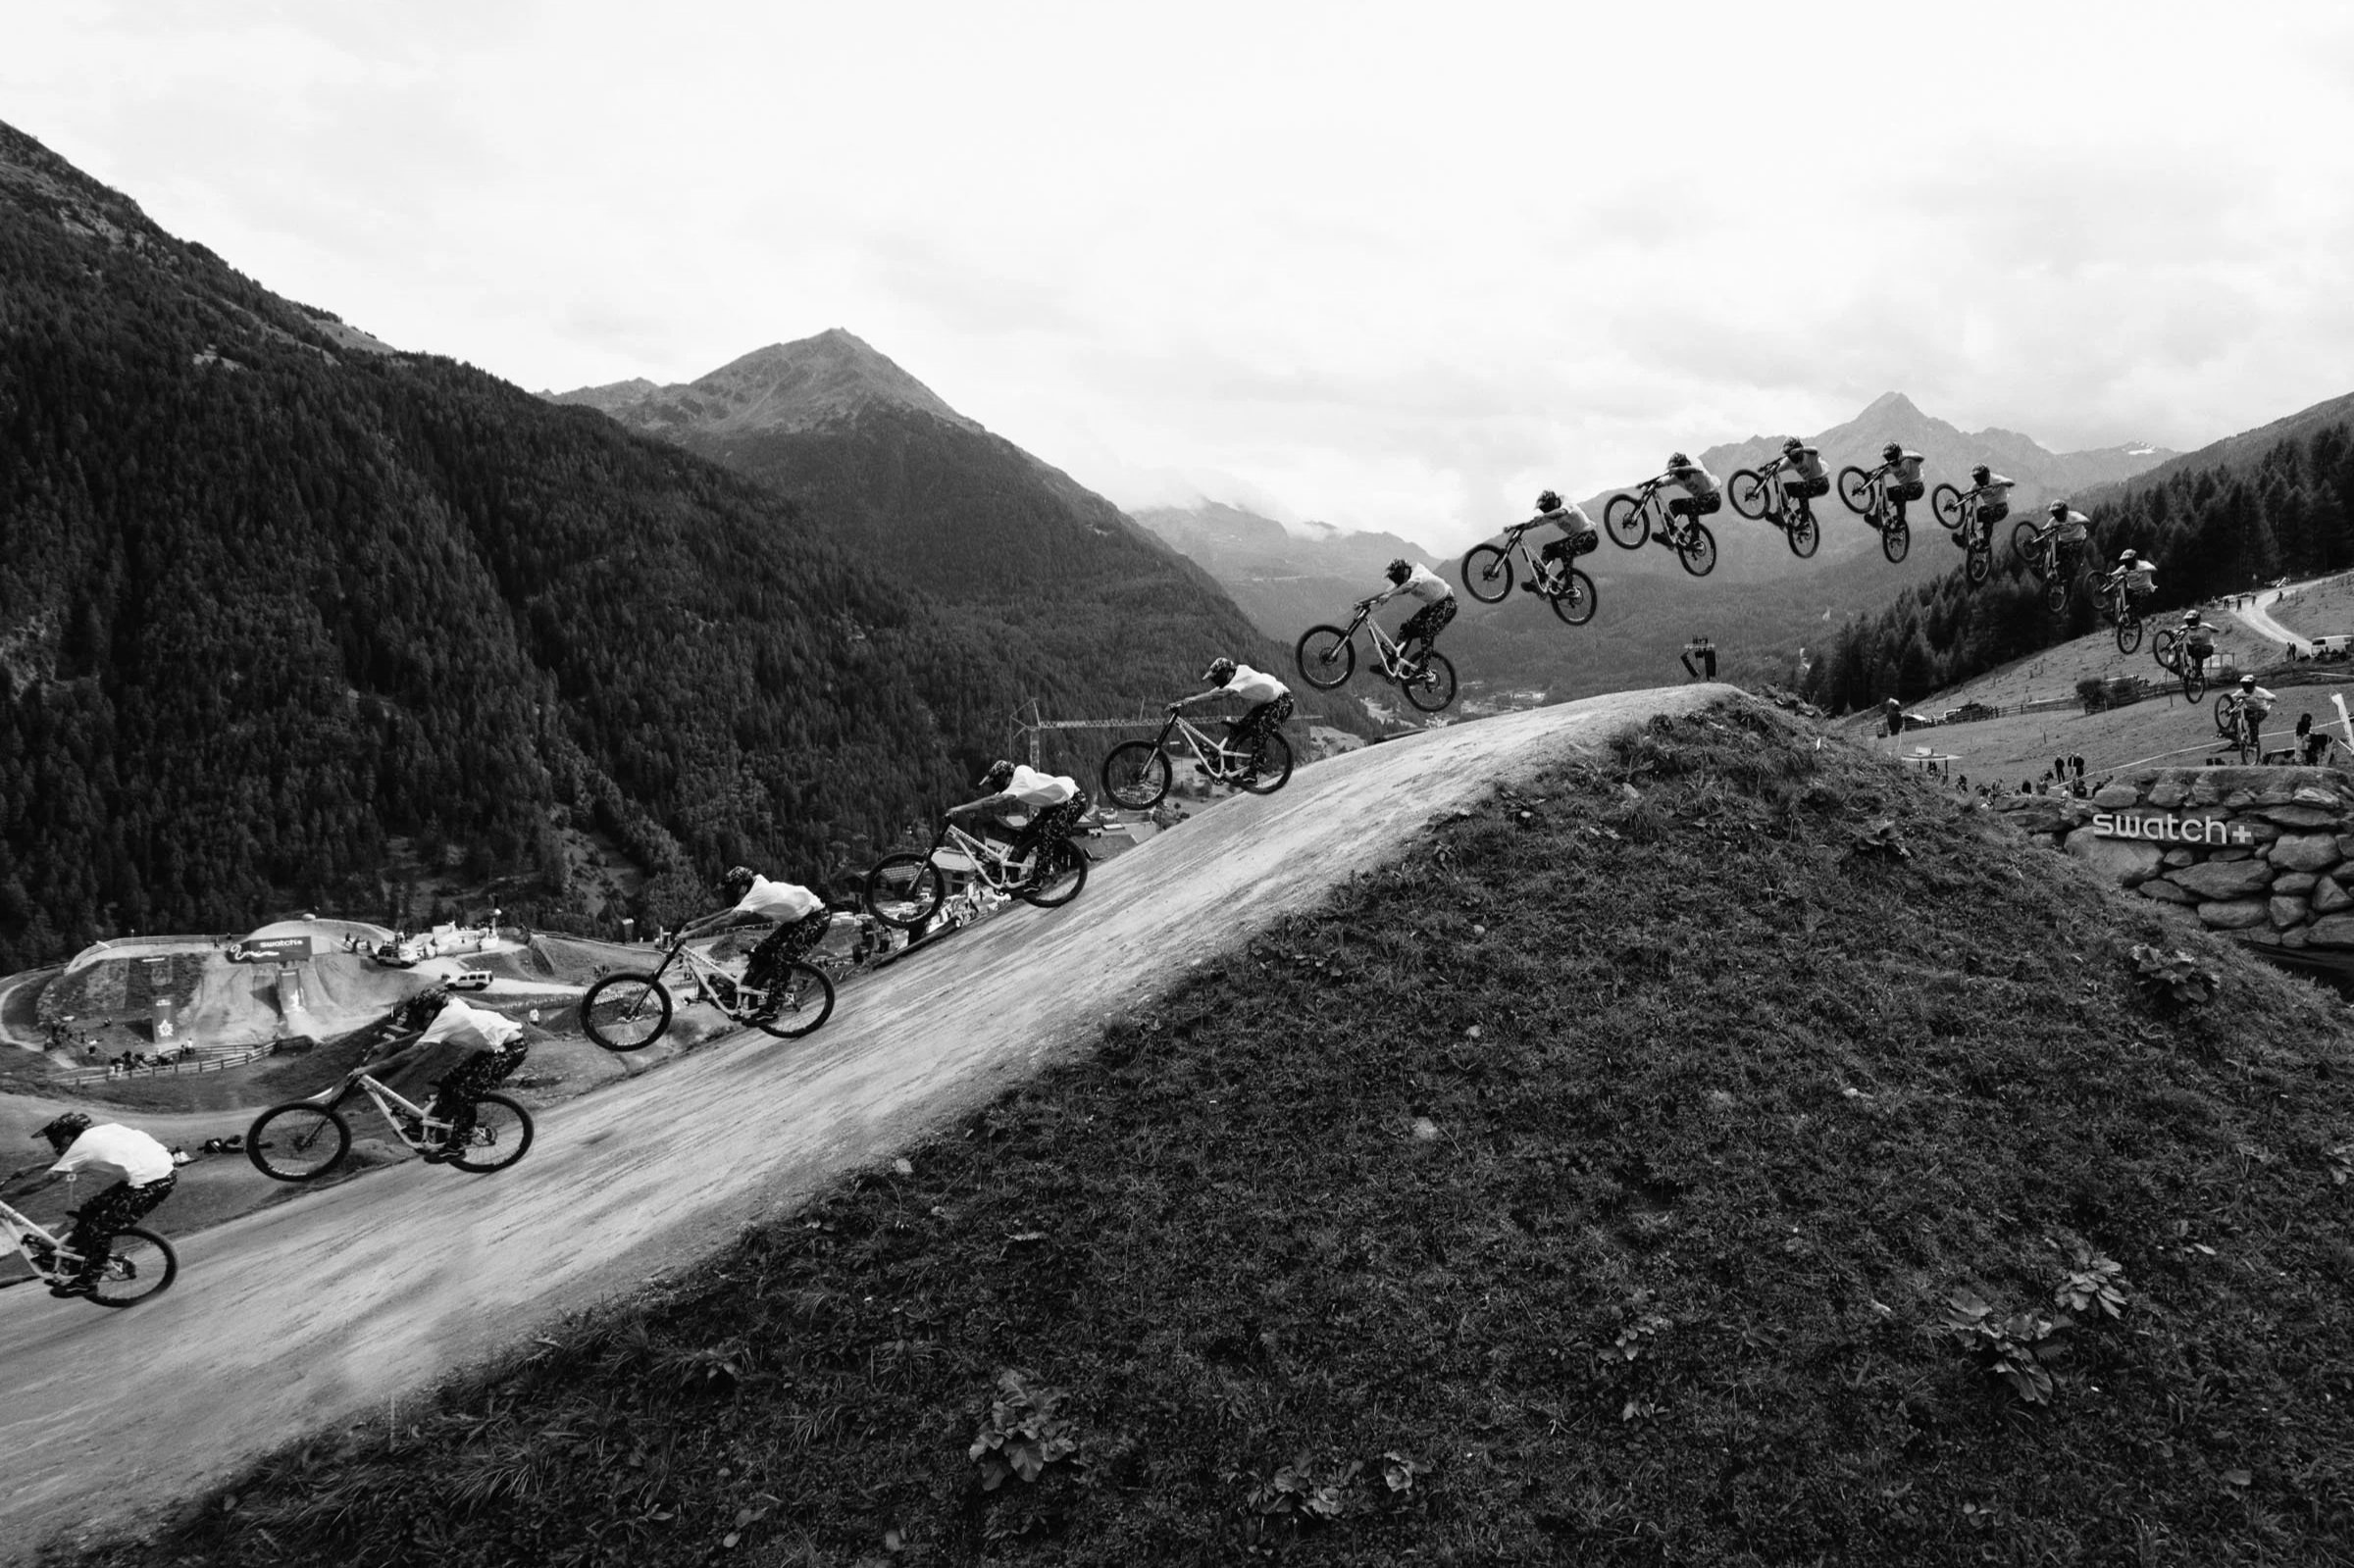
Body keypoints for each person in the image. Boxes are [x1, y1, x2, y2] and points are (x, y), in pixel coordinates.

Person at [6, 1112, 177, 1296]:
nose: (56, 1145)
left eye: (57, 1139)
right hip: (158, 1174)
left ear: (68, 1135)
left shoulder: (83, 1146)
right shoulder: (103, 1132)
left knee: (101, 1229)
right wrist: (33, 1167)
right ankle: (73, 1258)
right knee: (89, 1209)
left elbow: (44, 1182)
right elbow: (78, 1157)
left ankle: (87, 1282)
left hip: (150, 1183)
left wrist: (10, 1195)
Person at [358, 987, 530, 1162]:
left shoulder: (447, 1018)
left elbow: (416, 1051)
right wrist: (390, 1045)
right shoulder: (450, 1006)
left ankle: (456, 1146)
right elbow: (430, 1032)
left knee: (466, 1093)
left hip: (511, 1049)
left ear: (430, 1009)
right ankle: (423, 1129)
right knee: (449, 1082)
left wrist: (372, 1069)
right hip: (496, 1047)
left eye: (423, 1014)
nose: (422, 1018)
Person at [675, 867, 833, 1022]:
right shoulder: (754, 884)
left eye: (732, 890)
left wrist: (690, 934)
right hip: (800, 919)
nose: (730, 894)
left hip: (816, 917)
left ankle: (771, 1009)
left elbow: (730, 919)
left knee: (784, 958)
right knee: (762, 952)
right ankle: (735, 997)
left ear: (742, 887)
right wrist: (695, 923)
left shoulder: (759, 893)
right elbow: (731, 911)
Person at [951, 760, 1091, 883]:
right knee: (1025, 835)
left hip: (1073, 800)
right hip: (1054, 804)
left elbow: (992, 801)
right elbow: (990, 800)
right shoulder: (1014, 778)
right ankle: (1003, 874)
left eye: (995, 783)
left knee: (1047, 834)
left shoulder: (1021, 780)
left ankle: (1039, 878)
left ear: (1003, 779)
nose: (995, 787)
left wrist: (960, 808)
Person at [1175, 657, 1293, 780]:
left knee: (1261, 729)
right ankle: (1219, 763)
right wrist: (1186, 701)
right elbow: (1212, 693)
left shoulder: (1242, 675)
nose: (1217, 682)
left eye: (1218, 678)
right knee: (1237, 729)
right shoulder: (1233, 678)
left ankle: (1254, 771)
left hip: (1283, 700)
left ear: (1228, 673)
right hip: (1268, 703)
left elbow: (1220, 695)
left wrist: (1192, 700)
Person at [1369, 557, 1457, 674]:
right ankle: (1391, 664)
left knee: (1427, 629)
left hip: (1448, 604)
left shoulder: (1418, 572)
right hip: (1433, 607)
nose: (1397, 584)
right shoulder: (1406, 579)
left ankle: (1425, 670)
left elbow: (1407, 588)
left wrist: (1390, 596)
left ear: (1402, 574)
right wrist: (1364, 602)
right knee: (1406, 629)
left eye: (1397, 580)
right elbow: (1385, 593)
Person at [1526, 488, 1598, 589]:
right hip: (1577, 538)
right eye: (1544, 510)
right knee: (1548, 549)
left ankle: (1569, 584)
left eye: (1546, 508)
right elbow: (1534, 523)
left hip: (1589, 537)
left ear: (1552, 503)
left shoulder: (1566, 503)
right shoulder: (1551, 514)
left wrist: (1544, 515)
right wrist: (1517, 527)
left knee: (1565, 548)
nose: (1546, 511)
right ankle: (1539, 581)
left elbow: (1560, 512)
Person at [1768, 437, 1829, 525]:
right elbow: (1778, 468)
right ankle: (1782, 515)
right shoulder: (1790, 461)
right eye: (1788, 455)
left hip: (1822, 483)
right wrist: (1769, 469)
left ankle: (1805, 521)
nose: (1791, 457)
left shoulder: (1809, 455)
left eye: (1792, 453)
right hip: (1809, 484)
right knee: (1786, 488)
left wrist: (1800, 449)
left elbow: (1815, 450)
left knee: (1802, 488)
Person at [1662, 452, 1722, 536]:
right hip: (1700, 501)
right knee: (1674, 504)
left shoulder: (1696, 468)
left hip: (1713, 499)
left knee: (1691, 505)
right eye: (1678, 475)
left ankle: (1696, 540)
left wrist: (1679, 469)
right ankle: (1670, 532)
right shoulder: (1677, 478)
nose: (1681, 477)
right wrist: (1643, 485)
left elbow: (1697, 468)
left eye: (1681, 474)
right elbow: (1660, 483)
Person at [2225, 674, 2277, 760]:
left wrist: (2271, 699)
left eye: (2248, 686)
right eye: (2244, 686)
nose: (2246, 689)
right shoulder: (2242, 692)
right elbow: (2231, 698)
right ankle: (2235, 731)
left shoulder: (2260, 691)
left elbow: (2273, 697)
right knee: (2237, 712)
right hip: (2249, 709)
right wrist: (2228, 705)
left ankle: (2254, 741)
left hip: (2262, 710)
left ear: (2252, 686)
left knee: (2252, 718)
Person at [1959, 464, 2014, 545]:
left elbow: (2011, 482)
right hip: (1987, 507)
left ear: (1986, 474)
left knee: (1987, 513)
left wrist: (2001, 483)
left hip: (2001, 508)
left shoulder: (1995, 478)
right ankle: (1965, 538)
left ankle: (1985, 540)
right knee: (1970, 516)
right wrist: (1957, 501)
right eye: (1976, 478)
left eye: (1980, 477)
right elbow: (1967, 493)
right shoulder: (1976, 485)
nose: (1979, 480)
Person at [1880, 442, 1926, 529]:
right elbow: (1879, 472)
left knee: (1899, 492)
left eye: (1892, 457)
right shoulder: (1889, 465)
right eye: (1888, 458)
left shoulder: (1908, 458)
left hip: (1917, 487)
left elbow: (1921, 458)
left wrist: (1906, 457)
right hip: (1905, 487)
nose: (1891, 460)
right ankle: (1880, 517)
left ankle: (1901, 521)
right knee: (1885, 493)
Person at [2041, 500, 2090, 580]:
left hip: (2078, 540)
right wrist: (2041, 531)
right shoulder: (2053, 520)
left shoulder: (2073, 516)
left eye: (2058, 512)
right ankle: (2046, 570)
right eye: (2055, 513)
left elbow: (2087, 520)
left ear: (2064, 511)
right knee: (2048, 552)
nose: (2057, 515)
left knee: (2066, 551)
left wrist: (2075, 522)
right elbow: (2046, 528)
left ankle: (2065, 572)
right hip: (2063, 542)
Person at [2179, 610, 2216, 681]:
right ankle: (2183, 666)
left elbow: (2216, 630)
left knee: (2197, 648)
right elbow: (2179, 633)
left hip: (2207, 648)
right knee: (2181, 646)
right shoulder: (2187, 628)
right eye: (2188, 621)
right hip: (2194, 648)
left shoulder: (2204, 626)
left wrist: (2207, 627)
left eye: (2192, 620)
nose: (2190, 623)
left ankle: (2198, 670)